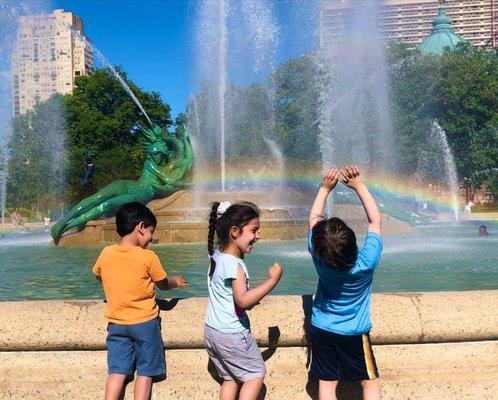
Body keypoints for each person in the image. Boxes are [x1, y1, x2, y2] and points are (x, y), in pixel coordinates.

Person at [92, 202, 188, 400]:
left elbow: (98, 275)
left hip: (117, 324)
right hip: (144, 323)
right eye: (151, 231)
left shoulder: (106, 253)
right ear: (141, 227)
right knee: (145, 371)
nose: (152, 237)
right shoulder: (148, 257)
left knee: (117, 371)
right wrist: (176, 282)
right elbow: (162, 284)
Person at [308, 166, 383, 400]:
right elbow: (375, 220)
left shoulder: (319, 257)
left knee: (327, 383)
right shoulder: (367, 261)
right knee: (370, 381)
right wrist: (359, 185)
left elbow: (314, 219)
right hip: (355, 332)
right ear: (352, 240)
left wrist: (324, 188)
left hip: (321, 328)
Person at [205, 201, 283, 400]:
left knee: (230, 378)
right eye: (254, 230)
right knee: (255, 375)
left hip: (212, 331)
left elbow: (228, 294)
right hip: (232, 334)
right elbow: (242, 301)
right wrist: (272, 281)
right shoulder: (235, 265)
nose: (258, 235)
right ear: (235, 232)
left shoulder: (216, 256)